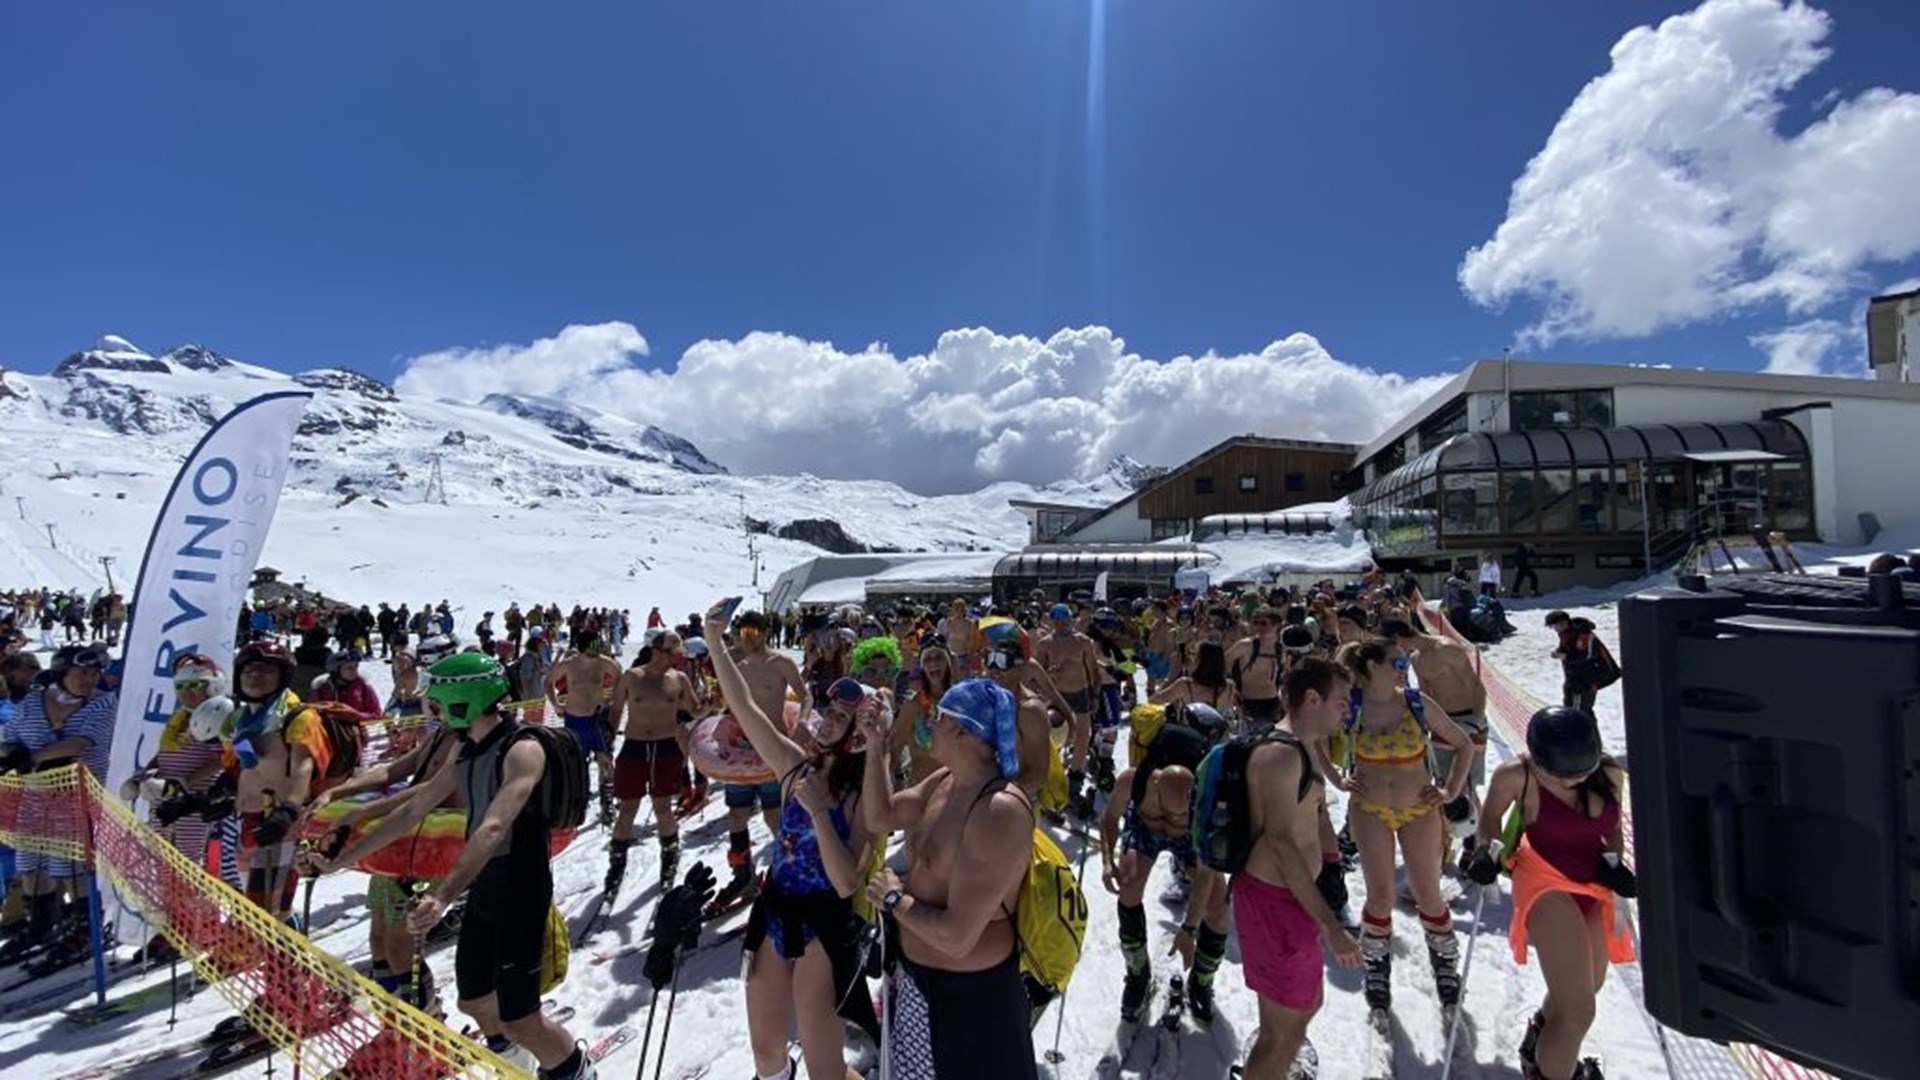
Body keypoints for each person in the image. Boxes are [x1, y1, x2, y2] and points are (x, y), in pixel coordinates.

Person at [318, 652, 597, 1079]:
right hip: (487, 884)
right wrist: (342, 859)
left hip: (520, 888)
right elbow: (413, 810)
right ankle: (517, 1066)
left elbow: (493, 827)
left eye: (439, 702)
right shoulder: (465, 749)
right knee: (475, 999)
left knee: (522, 1018)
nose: (434, 710)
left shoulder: (523, 749)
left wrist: (442, 895)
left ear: (464, 699)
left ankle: (577, 1072)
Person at [706, 602, 880, 1080]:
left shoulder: (861, 798)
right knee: (766, 1053)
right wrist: (715, 640)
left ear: (857, 736)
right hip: (776, 910)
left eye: (841, 717)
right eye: (828, 709)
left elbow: (846, 883)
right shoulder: (793, 767)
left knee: (825, 1069)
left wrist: (820, 812)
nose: (826, 719)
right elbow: (744, 707)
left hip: (825, 925)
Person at [860, 677, 1037, 1078]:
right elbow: (881, 815)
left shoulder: (998, 810)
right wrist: (876, 746)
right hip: (921, 985)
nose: (929, 723)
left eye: (938, 717)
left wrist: (894, 899)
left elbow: (958, 939)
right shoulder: (946, 781)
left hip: (971, 1005)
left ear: (961, 729)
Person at [1467, 707, 1635, 1080]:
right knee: (1578, 1011)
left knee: (1587, 986)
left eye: (1582, 771)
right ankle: (1554, 1073)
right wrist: (1486, 853)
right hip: (1544, 881)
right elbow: (1490, 820)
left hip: (1592, 883)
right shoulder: (1516, 775)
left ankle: (1540, 1044)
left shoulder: (1608, 772)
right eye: (1560, 774)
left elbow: (1612, 828)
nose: (1573, 780)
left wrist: (1614, 862)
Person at [1326, 639, 1474, 1018]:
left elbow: (1464, 744)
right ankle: (1377, 967)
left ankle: (1445, 964)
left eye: (1404, 660)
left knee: (1428, 894)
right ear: (1372, 666)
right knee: (1380, 896)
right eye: (1396, 662)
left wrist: (1450, 790)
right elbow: (1311, 737)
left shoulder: (1415, 702)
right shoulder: (1351, 705)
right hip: (1370, 810)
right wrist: (1337, 779)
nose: (1403, 666)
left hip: (1419, 810)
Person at [1234, 658, 1363, 1078]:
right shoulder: (1280, 756)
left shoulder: (1305, 748)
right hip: (1276, 903)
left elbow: (1313, 817)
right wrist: (1331, 925)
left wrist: (1330, 865)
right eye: (1342, 700)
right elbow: (1280, 842)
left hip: (1290, 898)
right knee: (1281, 1034)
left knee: (1303, 1007)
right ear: (1312, 698)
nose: (1348, 709)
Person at [0, 643, 117, 968]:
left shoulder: (102, 704)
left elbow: (80, 744)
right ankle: (42, 921)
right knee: (30, 860)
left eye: (94, 673)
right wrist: (10, 753)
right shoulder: (34, 702)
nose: (89, 679)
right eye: (82, 672)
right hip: (37, 794)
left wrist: (34, 756)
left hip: (78, 794)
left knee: (71, 861)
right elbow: (9, 736)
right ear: (62, 672)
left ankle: (86, 926)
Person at [1097, 761, 1233, 1025]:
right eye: (1167, 811)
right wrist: (1107, 861)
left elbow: (1206, 873)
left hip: (1190, 839)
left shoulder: (1207, 804)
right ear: (1156, 785)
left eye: (1181, 814)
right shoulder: (1133, 781)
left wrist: (1189, 928)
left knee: (1218, 908)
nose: (1173, 818)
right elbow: (1109, 817)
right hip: (1145, 829)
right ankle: (1137, 972)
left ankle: (1202, 979)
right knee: (1129, 888)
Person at [708, 610, 812, 915]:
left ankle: (787, 870)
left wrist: (803, 723)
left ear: (765, 633)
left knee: (774, 816)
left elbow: (805, 697)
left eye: (752, 632)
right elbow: (727, 705)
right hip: (741, 751)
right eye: (741, 632)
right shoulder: (736, 666)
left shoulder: (781, 663)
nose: (746, 638)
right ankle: (743, 877)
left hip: (773, 751)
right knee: (736, 816)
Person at [1380, 618, 1490, 862]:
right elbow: (1426, 692)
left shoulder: (1446, 649)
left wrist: (1477, 721)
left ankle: (1476, 845)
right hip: (1442, 723)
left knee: (1467, 785)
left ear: (1399, 637)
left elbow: (1475, 685)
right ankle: (1446, 842)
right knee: (1443, 784)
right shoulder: (1416, 658)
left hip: (1468, 718)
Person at [605, 631, 699, 893]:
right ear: (657, 652)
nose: (674, 660)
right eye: (671, 655)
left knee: (663, 808)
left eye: (675, 655)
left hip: (666, 747)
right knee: (627, 808)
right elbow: (615, 710)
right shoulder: (632, 676)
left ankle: (669, 857)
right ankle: (616, 864)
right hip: (634, 747)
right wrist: (606, 743)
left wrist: (710, 705)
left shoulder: (679, 679)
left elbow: (695, 709)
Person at [545, 630, 622, 824]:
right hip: (575, 719)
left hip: (597, 718)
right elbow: (548, 682)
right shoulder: (569, 664)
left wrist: (611, 698)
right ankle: (578, 799)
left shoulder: (604, 663)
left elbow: (619, 677)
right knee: (578, 762)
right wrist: (556, 705)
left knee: (605, 759)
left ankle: (607, 802)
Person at [1033, 603, 1102, 817]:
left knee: (1082, 738)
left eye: (1064, 622)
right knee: (1054, 740)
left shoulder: (1082, 641)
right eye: (1057, 622)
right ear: (1053, 622)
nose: (1061, 626)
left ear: (1070, 621)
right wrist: (1049, 673)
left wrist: (1095, 695)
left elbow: (1093, 669)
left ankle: (1074, 786)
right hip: (1057, 696)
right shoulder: (1045, 643)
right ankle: (1050, 784)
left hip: (1080, 693)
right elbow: (1037, 673)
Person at [1544, 612, 1619, 716]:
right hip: (1573, 678)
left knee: (1579, 713)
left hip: (1587, 679)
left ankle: (1584, 727)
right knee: (1570, 709)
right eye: (1552, 627)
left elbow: (1588, 655)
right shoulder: (1565, 633)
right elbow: (1568, 648)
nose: (1555, 629)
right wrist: (1558, 651)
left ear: (1564, 623)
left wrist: (1566, 656)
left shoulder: (1583, 634)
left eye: (1556, 626)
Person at [1224, 607, 1287, 728]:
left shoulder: (1281, 650)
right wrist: (1229, 687)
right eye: (1256, 623)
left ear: (1276, 625)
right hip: (1247, 703)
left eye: (1264, 623)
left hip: (1272, 704)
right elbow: (1221, 663)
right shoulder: (1245, 645)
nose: (1259, 627)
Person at [313, 649, 382, 719]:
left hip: (358, 724)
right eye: (349, 668)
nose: (354, 671)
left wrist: (356, 716)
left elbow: (376, 714)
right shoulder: (323, 689)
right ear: (336, 670)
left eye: (356, 667)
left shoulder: (364, 688)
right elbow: (311, 709)